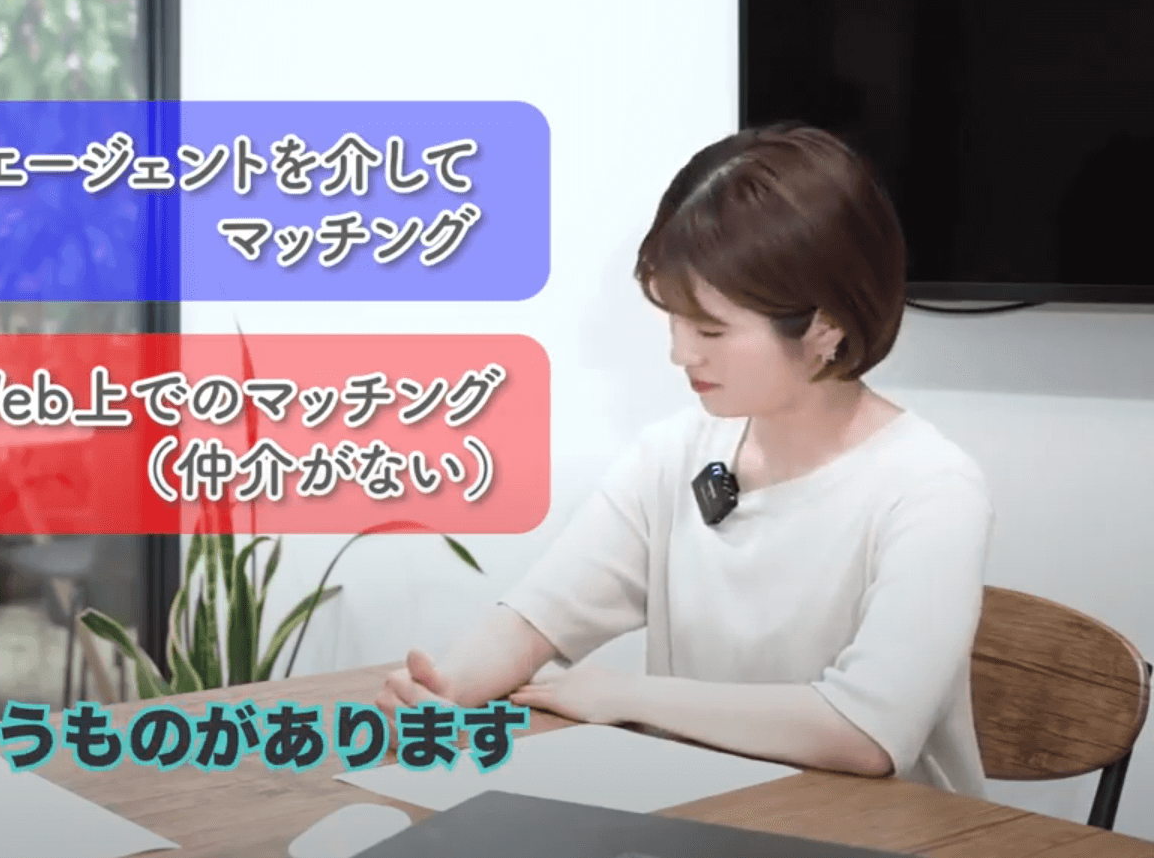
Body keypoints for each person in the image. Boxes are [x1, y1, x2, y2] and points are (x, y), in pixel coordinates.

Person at [377, 123, 993, 796]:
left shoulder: (930, 486)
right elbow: (538, 617)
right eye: (674, 319)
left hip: (889, 834)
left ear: (826, 327)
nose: (682, 353)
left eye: (711, 329)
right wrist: (447, 688)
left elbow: (867, 730)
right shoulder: (674, 454)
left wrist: (628, 695)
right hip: (707, 818)